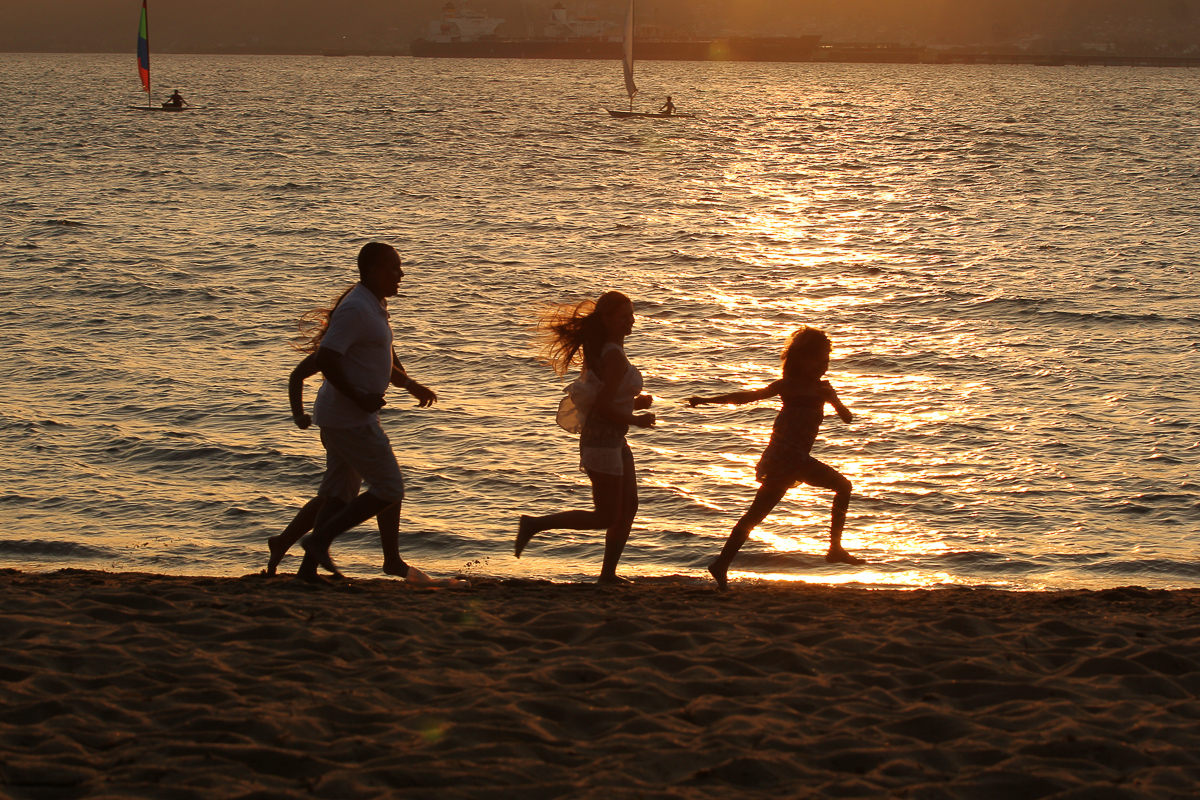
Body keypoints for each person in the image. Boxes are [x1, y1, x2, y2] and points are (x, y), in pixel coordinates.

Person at [294, 242, 440, 585]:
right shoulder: (356, 308)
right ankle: (318, 541)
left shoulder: (374, 305)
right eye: (394, 268)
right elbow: (327, 357)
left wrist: (411, 385)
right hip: (349, 418)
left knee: (338, 495)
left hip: (340, 415)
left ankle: (306, 574)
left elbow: (380, 355)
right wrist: (359, 396)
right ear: (374, 271)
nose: (401, 274)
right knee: (389, 488)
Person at [688, 326, 859, 590]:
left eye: (827, 359)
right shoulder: (787, 386)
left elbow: (847, 419)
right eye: (819, 358)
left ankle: (721, 564)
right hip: (784, 459)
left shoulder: (822, 389)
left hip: (794, 459)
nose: (824, 365)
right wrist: (706, 400)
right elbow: (746, 397)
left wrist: (834, 399)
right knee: (842, 487)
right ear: (801, 359)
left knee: (754, 517)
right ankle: (834, 549)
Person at [516, 291, 656, 584]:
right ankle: (534, 525)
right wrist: (637, 419)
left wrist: (634, 403)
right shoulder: (613, 355)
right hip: (601, 441)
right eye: (623, 316)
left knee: (629, 506)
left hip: (615, 440)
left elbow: (607, 398)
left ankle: (608, 575)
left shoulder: (608, 350)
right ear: (606, 320)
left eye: (631, 314)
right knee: (606, 515)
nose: (630, 321)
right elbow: (603, 406)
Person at [265, 349, 437, 582]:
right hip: (346, 424)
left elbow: (392, 370)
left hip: (346, 423)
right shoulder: (351, 329)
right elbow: (300, 373)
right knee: (386, 486)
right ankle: (391, 559)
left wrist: (400, 375)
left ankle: (286, 544)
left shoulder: (372, 326)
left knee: (337, 495)